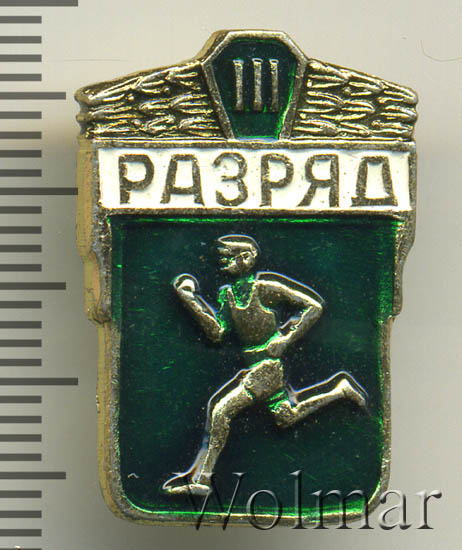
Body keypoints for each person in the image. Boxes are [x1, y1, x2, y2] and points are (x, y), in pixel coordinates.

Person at [163, 234, 366, 496]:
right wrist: (189, 299)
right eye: (222, 259)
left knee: (221, 412)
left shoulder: (265, 288)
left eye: (228, 258)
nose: (222, 263)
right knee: (285, 416)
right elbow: (217, 332)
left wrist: (286, 339)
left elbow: (313, 307)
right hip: (254, 368)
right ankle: (340, 391)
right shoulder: (227, 294)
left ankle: (202, 480)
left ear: (246, 258)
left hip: (267, 368)